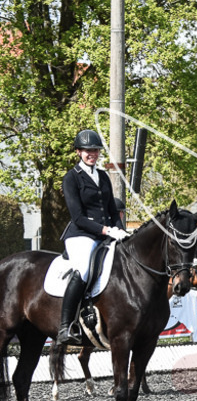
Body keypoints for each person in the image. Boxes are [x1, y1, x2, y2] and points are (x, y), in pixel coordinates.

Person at [57, 129, 129, 344]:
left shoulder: (103, 176)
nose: (92, 154)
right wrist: (105, 230)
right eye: (88, 150)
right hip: (81, 235)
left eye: (96, 150)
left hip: (105, 233)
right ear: (79, 152)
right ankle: (65, 326)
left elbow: (112, 210)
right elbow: (78, 217)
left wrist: (120, 230)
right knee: (85, 269)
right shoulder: (71, 178)